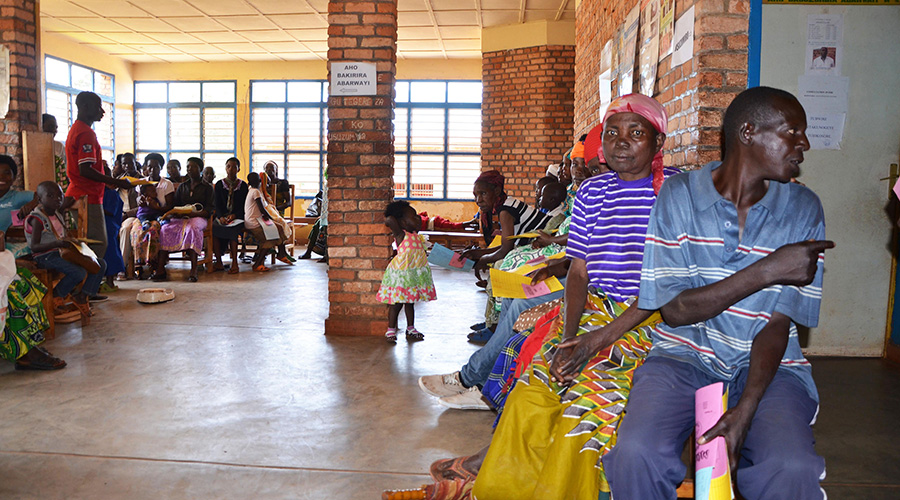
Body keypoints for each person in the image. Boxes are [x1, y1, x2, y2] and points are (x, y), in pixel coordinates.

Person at [604, 87, 831, 500]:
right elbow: (674, 310)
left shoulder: (803, 208)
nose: (804, 144)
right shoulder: (679, 196)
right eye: (792, 131)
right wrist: (768, 269)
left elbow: (778, 324)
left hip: (770, 365)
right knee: (636, 454)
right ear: (748, 132)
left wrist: (746, 408)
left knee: (790, 467)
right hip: (682, 353)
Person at [454, 94, 679, 500]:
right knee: (533, 392)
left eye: (636, 133)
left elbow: (670, 288)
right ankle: (501, 488)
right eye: (612, 133)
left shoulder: (677, 191)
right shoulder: (593, 192)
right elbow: (579, 271)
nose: (621, 142)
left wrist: (595, 343)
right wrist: (566, 338)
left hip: (649, 322)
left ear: (658, 143)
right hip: (592, 312)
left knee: (584, 404)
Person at [62, 91, 132, 260]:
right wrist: (116, 181)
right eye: (98, 107)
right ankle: (87, 285)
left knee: (90, 244)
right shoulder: (86, 133)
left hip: (83, 194)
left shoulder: (76, 129)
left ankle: (87, 283)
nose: (102, 111)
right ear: (85, 107)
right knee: (97, 244)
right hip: (86, 196)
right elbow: (85, 169)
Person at [27, 181, 107, 324]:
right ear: (39, 200)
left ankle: (82, 296)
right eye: (50, 196)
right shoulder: (37, 219)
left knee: (99, 264)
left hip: (62, 252)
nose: (57, 199)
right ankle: (56, 298)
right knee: (78, 272)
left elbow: (67, 203)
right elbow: (34, 246)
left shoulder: (56, 214)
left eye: (59, 195)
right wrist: (56, 243)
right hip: (45, 256)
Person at [376, 200, 436, 342]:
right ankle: (391, 330)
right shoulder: (401, 235)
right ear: (402, 222)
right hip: (401, 276)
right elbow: (389, 219)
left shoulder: (416, 234)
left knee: (410, 303)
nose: (418, 219)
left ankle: (411, 328)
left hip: (412, 275)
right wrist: (395, 213)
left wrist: (414, 219)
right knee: (396, 304)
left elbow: (418, 223)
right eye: (413, 216)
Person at [156, 157, 215, 282]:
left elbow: (209, 210)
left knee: (192, 228)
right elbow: (175, 205)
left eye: (193, 167)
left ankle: (194, 269)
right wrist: (177, 213)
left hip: (199, 218)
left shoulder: (207, 187)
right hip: (181, 218)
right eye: (188, 166)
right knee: (165, 228)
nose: (189, 169)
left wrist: (193, 214)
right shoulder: (183, 186)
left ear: (200, 169)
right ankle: (160, 269)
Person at [128, 154, 175, 280]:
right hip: (144, 216)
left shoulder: (166, 184)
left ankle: (153, 263)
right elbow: (138, 202)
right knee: (137, 232)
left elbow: (170, 206)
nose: (153, 170)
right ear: (146, 168)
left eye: (156, 167)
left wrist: (157, 207)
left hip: (159, 215)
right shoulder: (141, 183)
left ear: (161, 167)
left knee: (153, 231)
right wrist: (140, 201)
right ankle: (139, 265)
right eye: (150, 167)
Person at [244, 172, 290, 272]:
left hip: (256, 221)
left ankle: (281, 253)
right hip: (255, 224)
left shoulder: (252, 190)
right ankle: (257, 264)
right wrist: (270, 218)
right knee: (270, 238)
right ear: (260, 182)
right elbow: (262, 209)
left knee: (279, 227)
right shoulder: (255, 192)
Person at [212, 157, 248, 274]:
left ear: (238, 169)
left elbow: (244, 205)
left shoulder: (242, 186)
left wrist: (234, 215)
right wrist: (221, 216)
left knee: (233, 230)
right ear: (225, 168)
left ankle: (235, 264)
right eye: (228, 166)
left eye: (234, 167)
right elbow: (216, 204)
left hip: (237, 218)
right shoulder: (219, 185)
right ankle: (218, 262)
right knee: (214, 228)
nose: (231, 169)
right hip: (222, 217)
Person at [0, 154, 37, 256]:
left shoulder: (18, 197)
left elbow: (45, 194)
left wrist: (32, 204)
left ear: (14, 177)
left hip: (4, 248)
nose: (1, 177)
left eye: (6, 173)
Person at [101, 163, 126, 293]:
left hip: (109, 226)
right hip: (102, 225)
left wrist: (96, 208)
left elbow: (110, 211)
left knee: (110, 252)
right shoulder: (100, 192)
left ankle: (110, 282)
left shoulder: (110, 194)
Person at [42, 113, 68, 190]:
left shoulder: (59, 146)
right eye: (50, 126)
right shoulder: (34, 146)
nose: (54, 130)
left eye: (56, 127)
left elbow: (66, 168)